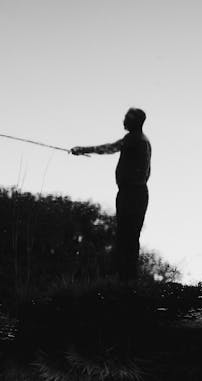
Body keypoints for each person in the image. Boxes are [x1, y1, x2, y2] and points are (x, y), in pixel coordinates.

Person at [71, 108, 151, 282]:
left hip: (130, 194)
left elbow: (109, 148)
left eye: (126, 118)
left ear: (135, 121)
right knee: (130, 237)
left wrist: (83, 149)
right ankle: (129, 280)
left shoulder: (133, 139)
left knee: (125, 237)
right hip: (138, 193)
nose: (123, 121)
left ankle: (126, 281)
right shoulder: (143, 141)